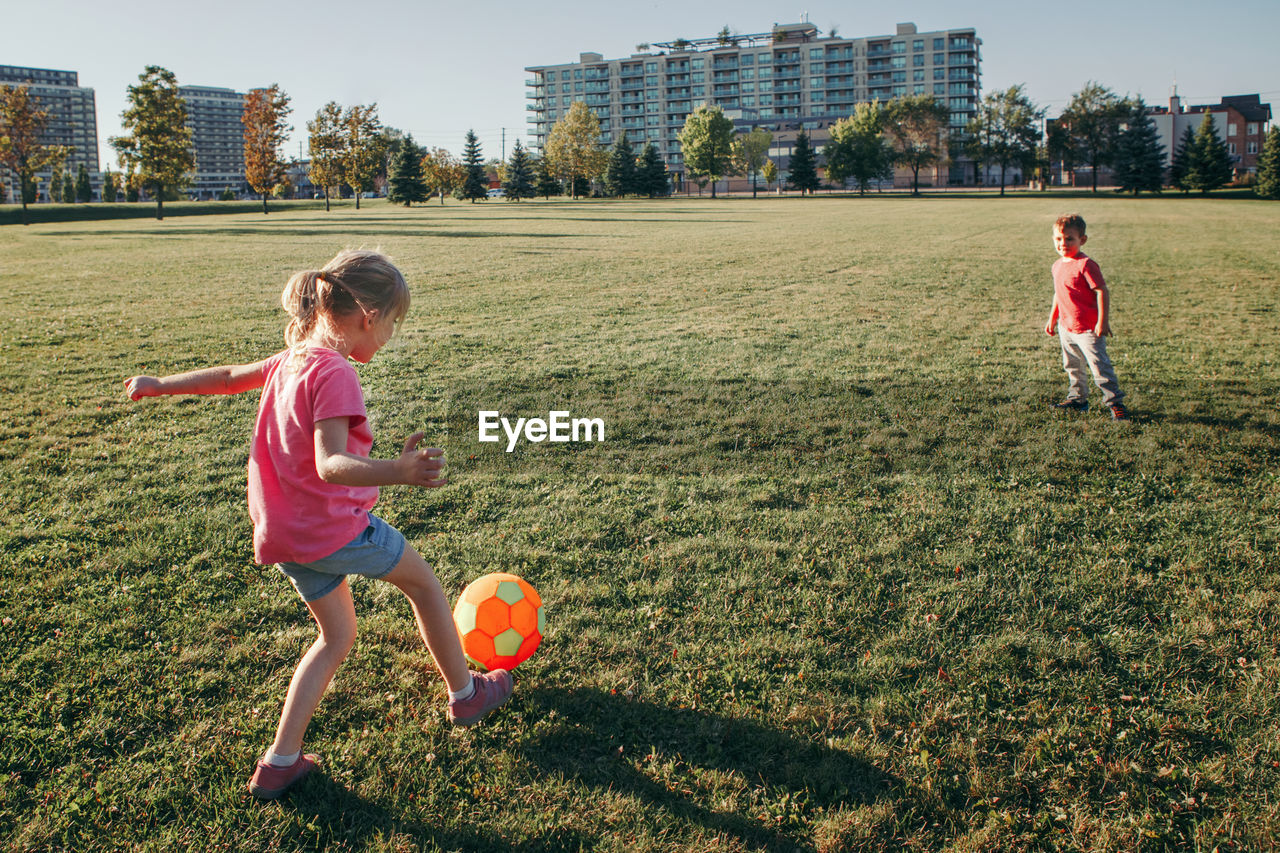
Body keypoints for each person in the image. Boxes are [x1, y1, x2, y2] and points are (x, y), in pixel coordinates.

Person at [124, 249, 513, 800]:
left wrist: (163, 384)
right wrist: (398, 471)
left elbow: (233, 377)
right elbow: (332, 464)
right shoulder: (334, 374)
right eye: (393, 325)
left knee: (335, 637)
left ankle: (280, 762)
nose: (390, 338)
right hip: (334, 530)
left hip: (285, 536)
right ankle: (467, 694)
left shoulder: (292, 359)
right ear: (367, 318)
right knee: (424, 585)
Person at [1043, 214, 1129, 420]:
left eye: (1069, 239)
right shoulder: (1057, 265)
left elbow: (1101, 291)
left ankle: (1115, 403)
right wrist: (1052, 318)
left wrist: (1102, 321)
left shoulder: (1086, 264)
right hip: (1067, 327)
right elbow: (1058, 293)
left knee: (1100, 367)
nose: (1063, 243)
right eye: (1058, 239)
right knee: (1072, 365)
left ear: (1082, 240)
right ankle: (1078, 399)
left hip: (1088, 329)